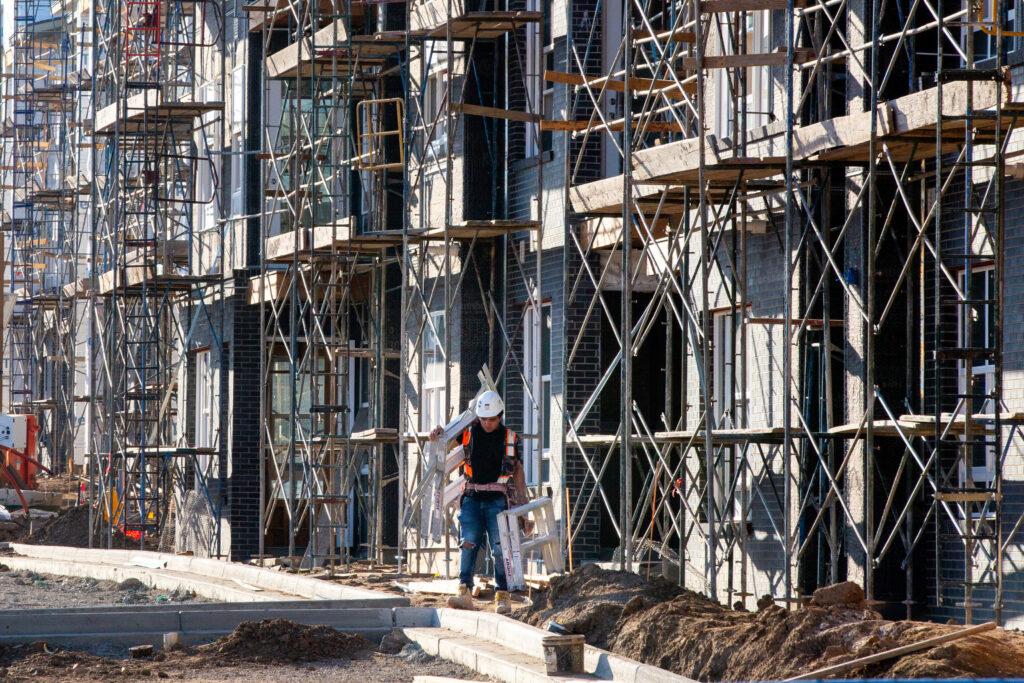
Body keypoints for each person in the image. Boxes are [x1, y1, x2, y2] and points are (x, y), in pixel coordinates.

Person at [430, 389, 528, 615]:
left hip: (497, 498)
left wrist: (523, 509)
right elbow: (444, 442)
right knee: (468, 543)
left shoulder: (510, 438)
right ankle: (465, 591)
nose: (487, 423)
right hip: (472, 497)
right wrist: (438, 433)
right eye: (483, 419)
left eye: (491, 419)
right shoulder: (468, 433)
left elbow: (518, 473)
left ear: (500, 417)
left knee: (500, 546)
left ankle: (502, 594)